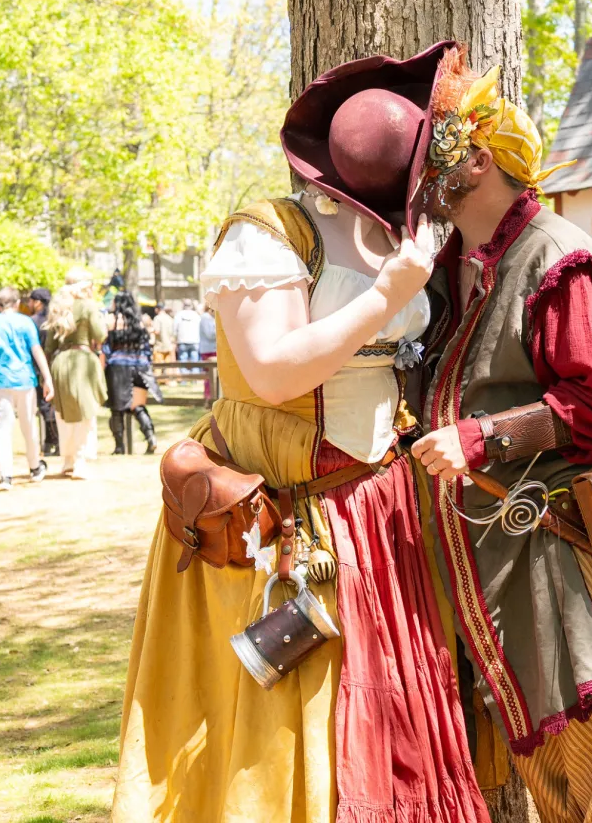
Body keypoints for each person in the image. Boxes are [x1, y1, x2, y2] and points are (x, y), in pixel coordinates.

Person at [112, 44, 488, 823]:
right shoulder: (269, 233)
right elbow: (276, 372)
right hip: (283, 520)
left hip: (379, 509)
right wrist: (388, 296)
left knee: (388, 711)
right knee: (287, 717)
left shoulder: (401, 234)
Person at [410, 46, 592, 823]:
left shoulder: (555, 259)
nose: (422, 179)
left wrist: (482, 437)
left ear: (474, 161)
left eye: (435, 154)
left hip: (572, 552)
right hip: (513, 550)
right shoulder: (455, 262)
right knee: (550, 772)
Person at [0, 286, 53, 490]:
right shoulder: (25, 322)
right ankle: (35, 467)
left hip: (1, 380)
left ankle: (5, 476)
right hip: (24, 380)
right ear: (17, 302)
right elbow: (36, 351)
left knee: (3, 428)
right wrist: (47, 378)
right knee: (29, 426)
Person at [45, 270, 108, 480]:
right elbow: (100, 335)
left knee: (64, 414)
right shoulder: (88, 306)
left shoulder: (58, 307)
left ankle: (68, 460)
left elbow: (49, 346)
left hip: (60, 363)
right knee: (85, 412)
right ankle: (80, 461)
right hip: (83, 361)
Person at [103, 291, 163, 454]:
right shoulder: (140, 321)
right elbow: (146, 348)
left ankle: (119, 446)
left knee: (117, 408)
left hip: (118, 368)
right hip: (140, 368)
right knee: (138, 405)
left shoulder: (112, 321)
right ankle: (151, 438)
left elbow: (106, 347)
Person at [29, 286, 60, 454]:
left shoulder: (33, 321)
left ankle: (51, 441)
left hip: (39, 368)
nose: (29, 303)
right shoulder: (56, 320)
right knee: (55, 406)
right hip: (57, 366)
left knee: (45, 406)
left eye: (31, 300)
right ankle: (53, 441)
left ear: (38, 302)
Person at [173, 297, 201, 372]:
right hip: (195, 340)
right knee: (195, 360)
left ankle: (184, 378)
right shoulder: (196, 315)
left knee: (183, 360)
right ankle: (195, 378)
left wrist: (175, 340)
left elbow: (175, 329)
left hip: (182, 340)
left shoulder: (179, 315)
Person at [199, 304, 217, 401]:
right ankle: (208, 397)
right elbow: (210, 334)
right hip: (208, 350)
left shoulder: (211, 318)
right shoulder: (205, 318)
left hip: (214, 349)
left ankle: (213, 396)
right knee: (208, 376)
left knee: (214, 376)